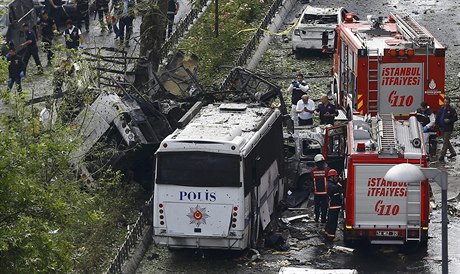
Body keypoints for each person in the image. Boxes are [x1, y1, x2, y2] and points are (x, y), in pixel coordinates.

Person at [436, 97, 458, 161]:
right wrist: (436, 124)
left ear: (449, 102)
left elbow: (455, 118)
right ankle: (453, 152)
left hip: (448, 128)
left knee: (445, 142)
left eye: (447, 102)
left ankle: (442, 156)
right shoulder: (441, 108)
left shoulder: (452, 110)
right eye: (445, 102)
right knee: (446, 141)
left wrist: (449, 120)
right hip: (441, 127)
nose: (446, 103)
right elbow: (438, 116)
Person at [324, 169, 343, 241]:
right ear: (332, 177)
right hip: (334, 205)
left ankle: (327, 233)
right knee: (333, 221)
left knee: (330, 220)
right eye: (335, 176)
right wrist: (340, 182)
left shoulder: (330, 183)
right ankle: (331, 236)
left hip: (333, 205)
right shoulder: (331, 185)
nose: (336, 178)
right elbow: (338, 188)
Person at [311, 154, 330, 223]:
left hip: (317, 193)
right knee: (324, 207)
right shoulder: (327, 170)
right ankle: (323, 219)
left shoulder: (313, 171)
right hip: (325, 193)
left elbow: (311, 180)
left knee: (317, 206)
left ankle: (316, 218)